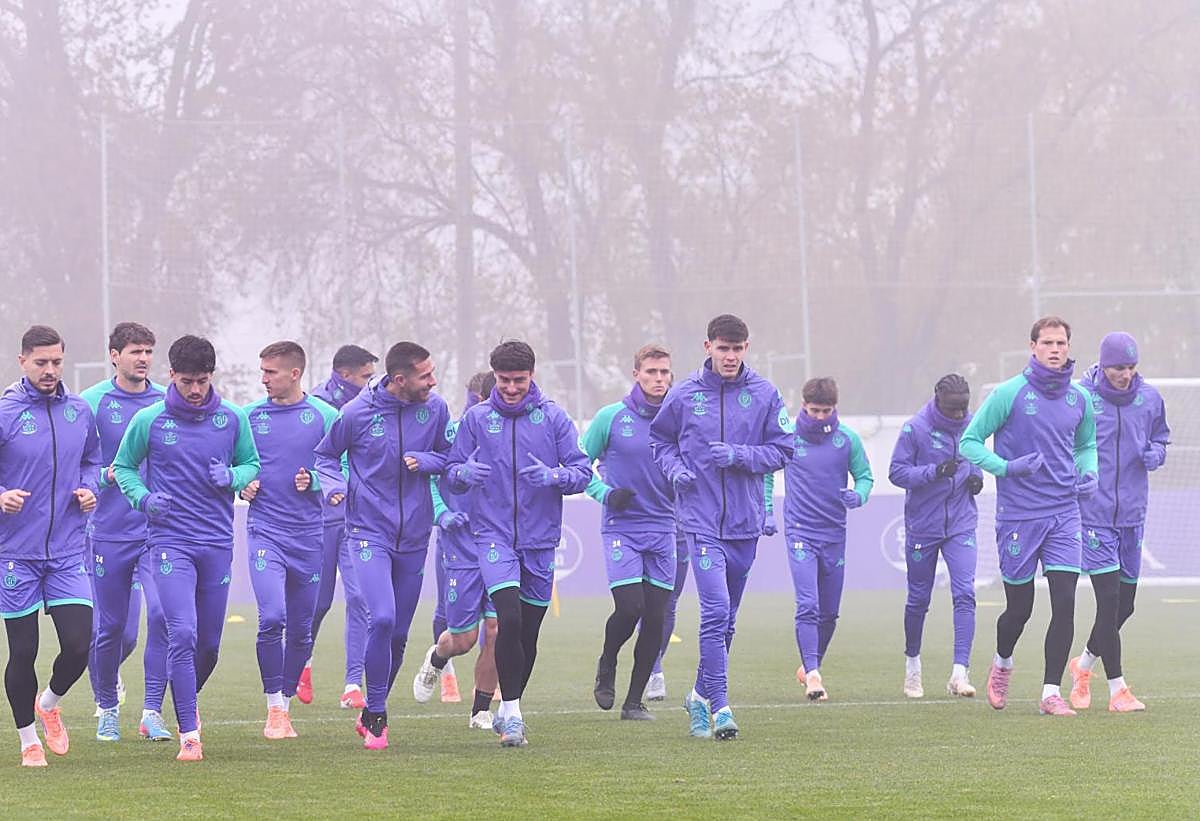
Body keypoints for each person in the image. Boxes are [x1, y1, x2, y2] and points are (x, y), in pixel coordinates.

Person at [114, 335, 261, 761]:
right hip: (169, 542)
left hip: (216, 542)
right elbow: (123, 467)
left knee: (208, 646)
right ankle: (190, 735)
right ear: (171, 376)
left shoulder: (232, 418)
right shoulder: (150, 420)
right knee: (181, 631)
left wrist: (232, 478)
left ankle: (181, 702)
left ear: (210, 377)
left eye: (201, 381)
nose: (195, 390)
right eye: (186, 381)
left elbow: (252, 464)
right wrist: (143, 499)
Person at [649, 314, 792, 740]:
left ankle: (697, 695)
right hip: (700, 521)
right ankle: (723, 708)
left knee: (727, 620)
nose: (730, 356)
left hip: (745, 525)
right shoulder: (685, 395)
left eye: (738, 348)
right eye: (723, 348)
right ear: (707, 346)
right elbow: (660, 442)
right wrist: (675, 470)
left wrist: (741, 456)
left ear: (747, 348)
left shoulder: (765, 394)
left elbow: (785, 449)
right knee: (713, 612)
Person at [443, 340, 591, 747]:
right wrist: (463, 473)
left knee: (527, 634)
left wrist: (554, 477)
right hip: (492, 536)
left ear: (532, 376)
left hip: (540, 540)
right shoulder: (476, 419)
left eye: (519, 380)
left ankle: (510, 706)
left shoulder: (554, 418)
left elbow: (581, 471)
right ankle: (512, 716)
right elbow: (452, 469)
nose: (511, 388)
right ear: (495, 377)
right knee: (506, 617)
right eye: (504, 380)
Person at [314, 342, 451, 750]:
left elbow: (450, 457)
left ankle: (372, 707)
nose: (433, 380)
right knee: (383, 618)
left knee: (400, 635)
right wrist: (336, 486)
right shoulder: (356, 413)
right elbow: (324, 457)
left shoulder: (436, 408)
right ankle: (377, 713)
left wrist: (429, 462)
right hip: (367, 531)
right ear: (399, 380)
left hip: (414, 537)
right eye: (425, 375)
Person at [960, 316, 1097, 717]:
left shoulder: (1080, 399)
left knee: (1066, 604)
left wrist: (1090, 473)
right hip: (1019, 516)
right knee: (1019, 609)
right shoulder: (1009, 394)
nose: (1056, 349)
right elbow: (970, 442)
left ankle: (1050, 692)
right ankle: (1002, 661)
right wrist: (1007, 467)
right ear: (1032, 347)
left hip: (1065, 513)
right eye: (1048, 342)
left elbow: (1087, 445)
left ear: (1069, 347)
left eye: (1062, 343)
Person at [0, 325, 101, 767]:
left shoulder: (79, 410)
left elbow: (93, 461)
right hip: (15, 554)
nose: (50, 370)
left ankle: (50, 703)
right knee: (23, 651)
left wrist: (89, 488)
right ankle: (27, 740)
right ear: (22, 361)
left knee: (80, 644)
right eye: (41, 362)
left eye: (57, 361)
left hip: (65, 552)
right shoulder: (5, 412)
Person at [80, 322, 171, 742]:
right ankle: (107, 707)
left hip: (158, 533)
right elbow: (76, 468)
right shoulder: (92, 403)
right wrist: (105, 478)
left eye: (149, 351)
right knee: (116, 631)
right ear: (114, 355)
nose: (144, 359)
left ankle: (152, 712)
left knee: (161, 616)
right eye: (135, 351)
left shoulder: (165, 402)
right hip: (108, 532)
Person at [242, 342, 339, 739]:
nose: (263, 378)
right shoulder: (248, 417)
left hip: (309, 537)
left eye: (271, 372)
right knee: (272, 617)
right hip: (265, 531)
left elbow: (345, 466)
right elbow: (235, 465)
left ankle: (285, 702)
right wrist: (241, 483)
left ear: (295, 373)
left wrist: (316, 480)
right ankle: (274, 709)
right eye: (262, 371)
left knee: (301, 630)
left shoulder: (326, 416)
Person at [1069, 332, 1169, 713]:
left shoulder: (1150, 398)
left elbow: (1161, 436)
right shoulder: (1081, 397)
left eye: (1130, 367)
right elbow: (1064, 439)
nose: (1124, 375)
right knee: (1108, 601)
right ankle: (1117, 689)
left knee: (1124, 606)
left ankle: (1083, 665)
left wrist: (1155, 454)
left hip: (1133, 514)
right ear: (1103, 365)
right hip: (1094, 514)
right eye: (1117, 368)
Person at [581, 345, 675, 721]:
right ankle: (607, 662)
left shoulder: (678, 419)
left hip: (665, 526)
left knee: (656, 617)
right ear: (635, 373)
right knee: (630, 607)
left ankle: (634, 702)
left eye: (664, 372)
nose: (658, 379)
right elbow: (578, 464)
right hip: (622, 528)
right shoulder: (610, 417)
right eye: (651, 371)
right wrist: (605, 494)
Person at [774, 377, 873, 702]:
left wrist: (858, 496)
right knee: (808, 604)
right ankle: (814, 675)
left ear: (835, 408)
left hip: (834, 534)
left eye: (826, 411)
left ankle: (809, 664)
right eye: (814, 410)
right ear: (803, 405)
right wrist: (764, 512)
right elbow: (764, 472)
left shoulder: (847, 440)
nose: (819, 417)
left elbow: (865, 477)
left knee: (829, 613)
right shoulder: (786, 436)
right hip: (800, 531)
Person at [412, 371, 501, 728]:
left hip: (499, 545)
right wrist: (442, 513)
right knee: (463, 639)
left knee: (496, 628)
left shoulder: (512, 434)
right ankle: (437, 658)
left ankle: (480, 710)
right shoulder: (453, 433)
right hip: (460, 547)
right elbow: (431, 477)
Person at [888, 374, 983, 700]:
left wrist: (976, 478)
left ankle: (960, 672)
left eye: (963, 409)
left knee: (965, 593)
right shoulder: (915, 429)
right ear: (938, 400)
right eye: (953, 409)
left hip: (960, 523)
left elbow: (975, 458)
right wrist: (932, 472)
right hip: (923, 526)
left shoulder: (973, 424)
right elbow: (897, 473)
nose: (959, 416)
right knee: (918, 599)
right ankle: (912, 667)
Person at [302, 344, 377, 709]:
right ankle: (303, 660)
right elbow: (307, 462)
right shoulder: (313, 408)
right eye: (365, 376)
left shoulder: (371, 409)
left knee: (361, 598)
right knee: (318, 603)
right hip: (318, 521)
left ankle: (352, 684)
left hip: (357, 520)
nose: (371, 383)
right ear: (345, 376)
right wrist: (322, 485)